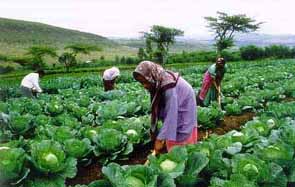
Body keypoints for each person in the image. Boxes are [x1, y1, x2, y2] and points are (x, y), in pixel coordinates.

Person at [133, 61, 197, 155]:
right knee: (170, 130)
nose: (144, 86)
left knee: (182, 130)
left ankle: (181, 153)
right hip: (176, 102)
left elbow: (171, 114)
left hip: (184, 104)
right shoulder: (157, 80)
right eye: (141, 83)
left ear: (151, 77)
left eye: (145, 82)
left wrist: (160, 139)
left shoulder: (168, 86)